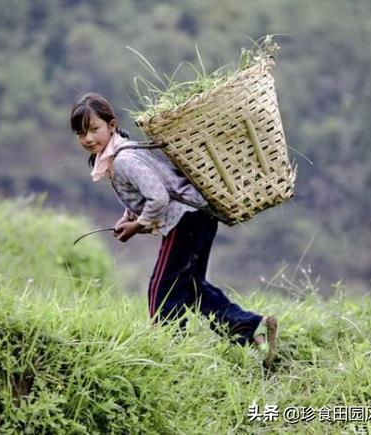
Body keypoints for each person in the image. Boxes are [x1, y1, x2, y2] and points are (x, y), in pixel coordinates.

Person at [69, 92, 277, 363]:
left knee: (162, 287)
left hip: (185, 220)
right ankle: (253, 328)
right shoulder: (118, 154)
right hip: (198, 217)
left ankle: (167, 351)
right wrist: (129, 215)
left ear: (111, 125)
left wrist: (139, 225)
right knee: (190, 287)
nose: (88, 138)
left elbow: (159, 197)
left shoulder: (123, 160)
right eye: (81, 133)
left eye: (94, 129)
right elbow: (147, 190)